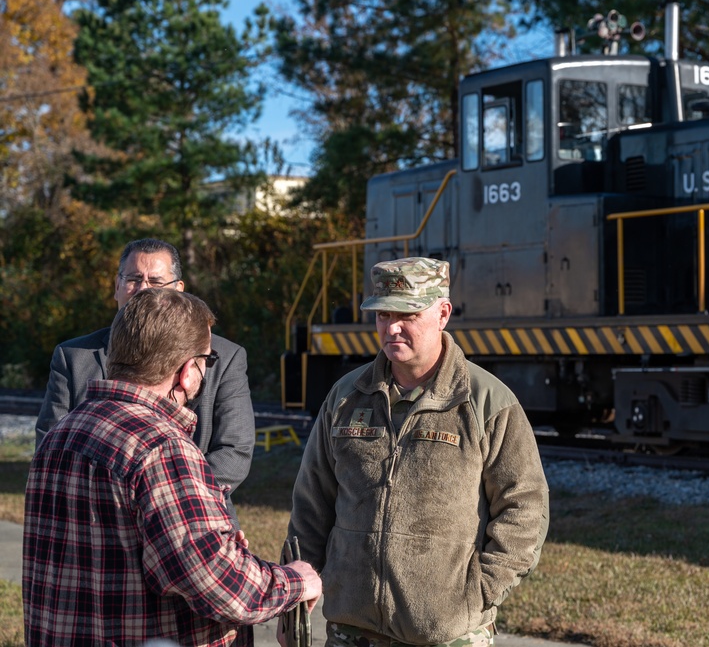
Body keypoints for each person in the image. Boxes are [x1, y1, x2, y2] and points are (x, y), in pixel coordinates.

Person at [23, 288, 323, 646]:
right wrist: (296, 579)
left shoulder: (60, 435)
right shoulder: (161, 448)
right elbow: (224, 587)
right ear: (188, 371)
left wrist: (216, 541)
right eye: (207, 361)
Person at [287, 257, 550, 647]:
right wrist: (295, 596)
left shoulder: (486, 401)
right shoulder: (345, 397)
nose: (391, 327)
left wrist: (478, 591)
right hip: (351, 631)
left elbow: (524, 507)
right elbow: (311, 505)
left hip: (446, 634)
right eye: (382, 315)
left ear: (442, 313)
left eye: (407, 314)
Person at [35, 237, 254, 526]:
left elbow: (235, 450)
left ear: (178, 290)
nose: (142, 290)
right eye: (134, 279)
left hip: (197, 519)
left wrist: (173, 499)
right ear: (116, 286)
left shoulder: (222, 356)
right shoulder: (73, 357)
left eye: (156, 281)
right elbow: (51, 447)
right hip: (98, 524)